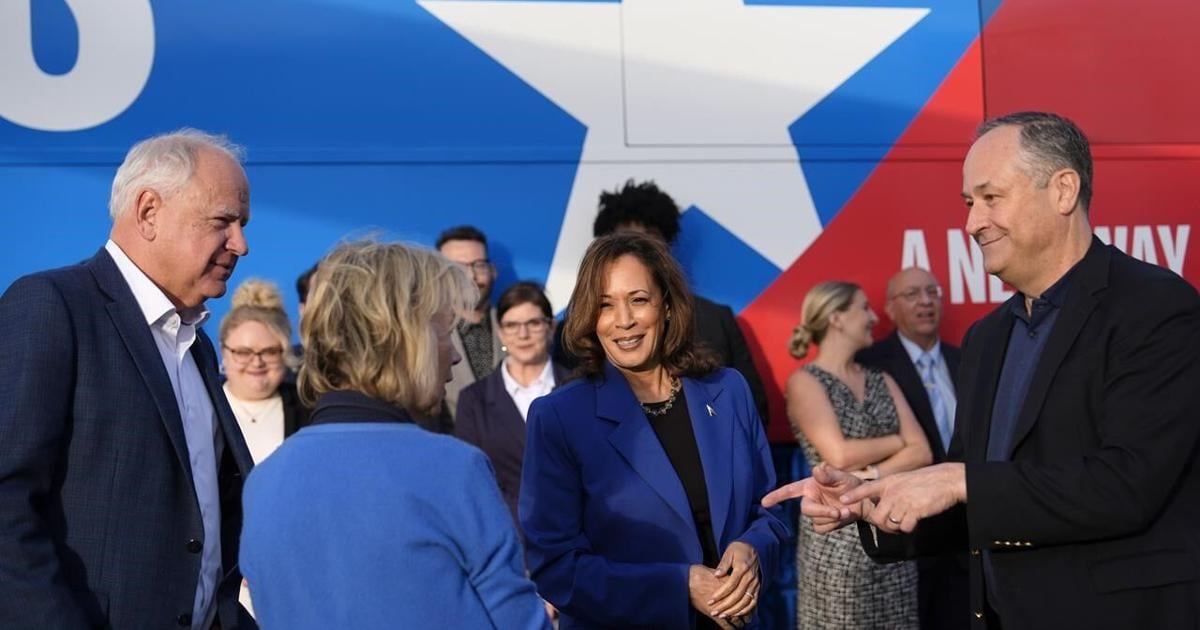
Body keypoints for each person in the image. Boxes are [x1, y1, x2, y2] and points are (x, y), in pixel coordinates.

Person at [765, 112, 1200, 629]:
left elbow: (1127, 484)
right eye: (970, 204)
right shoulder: (987, 337)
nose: (972, 223)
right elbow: (974, 503)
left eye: (991, 198)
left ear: (1063, 190)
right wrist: (868, 502)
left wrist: (958, 480)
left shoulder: (1156, 306)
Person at [0, 129, 255, 628]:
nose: (241, 245)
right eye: (223, 221)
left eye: (242, 224)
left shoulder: (194, 342)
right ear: (148, 212)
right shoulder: (53, 307)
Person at [239, 240, 550, 630]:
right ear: (405, 341)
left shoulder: (263, 482)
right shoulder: (454, 470)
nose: (454, 355)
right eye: (443, 333)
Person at [521, 233, 788, 629]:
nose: (624, 320)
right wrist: (679, 586)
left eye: (638, 299)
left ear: (666, 304)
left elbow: (770, 512)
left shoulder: (728, 391)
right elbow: (556, 566)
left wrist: (754, 552)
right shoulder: (559, 417)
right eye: (605, 305)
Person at [554, 180, 770, 426]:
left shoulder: (716, 320)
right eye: (624, 238)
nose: (625, 320)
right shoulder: (574, 334)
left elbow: (753, 416)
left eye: (649, 239)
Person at [786, 280, 931, 629]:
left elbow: (923, 451)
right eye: (863, 308)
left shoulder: (880, 378)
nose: (872, 318)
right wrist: (897, 441)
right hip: (836, 534)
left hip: (893, 528)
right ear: (836, 318)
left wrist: (871, 476)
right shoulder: (806, 381)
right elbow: (838, 455)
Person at [856, 267, 968, 629]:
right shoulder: (869, 365)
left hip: (969, 527)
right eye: (912, 294)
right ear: (889, 308)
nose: (925, 302)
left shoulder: (967, 358)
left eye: (932, 293)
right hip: (907, 530)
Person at [456, 281, 570, 525]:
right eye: (512, 325)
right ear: (500, 331)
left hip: (577, 536)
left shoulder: (579, 391)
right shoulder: (473, 400)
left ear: (551, 327)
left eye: (534, 323)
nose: (523, 334)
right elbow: (473, 480)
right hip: (507, 536)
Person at [220, 279, 310, 465]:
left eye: (269, 352)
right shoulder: (204, 404)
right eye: (243, 352)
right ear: (224, 351)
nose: (257, 362)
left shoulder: (309, 409)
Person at [437, 225, 504, 426]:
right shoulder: (425, 333)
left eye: (479, 265)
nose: (471, 277)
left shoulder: (521, 328)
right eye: (458, 268)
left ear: (493, 271)